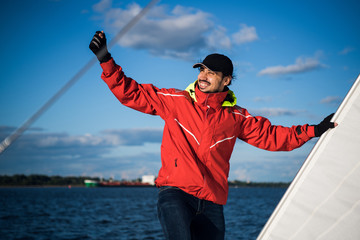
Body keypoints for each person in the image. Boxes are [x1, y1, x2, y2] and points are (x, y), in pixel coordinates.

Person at [89, 31, 337, 240]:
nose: (203, 76)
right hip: (175, 192)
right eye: (202, 69)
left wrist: (314, 130)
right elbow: (131, 93)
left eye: (211, 73)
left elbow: (272, 136)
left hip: (211, 201)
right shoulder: (176, 101)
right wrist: (106, 60)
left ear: (226, 80)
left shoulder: (237, 117)